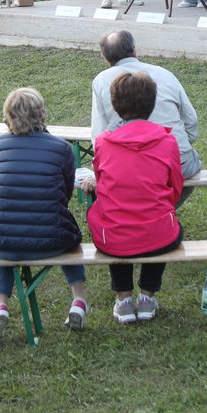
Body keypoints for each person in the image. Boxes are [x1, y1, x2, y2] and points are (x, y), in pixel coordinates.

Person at [0, 88, 87, 340]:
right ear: (42, 113)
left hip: (3, 243)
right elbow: (65, 192)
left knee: (4, 229)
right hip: (52, 242)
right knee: (71, 234)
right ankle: (78, 299)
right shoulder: (61, 148)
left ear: (8, 116)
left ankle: (0, 305)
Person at [82, 72, 183, 324]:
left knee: (114, 218)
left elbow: (104, 179)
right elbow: (176, 187)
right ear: (151, 103)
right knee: (157, 222)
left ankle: (124, 298)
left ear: (115, 105)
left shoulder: (104, 143)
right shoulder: (167, 141)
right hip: (159, 234)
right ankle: (147, 296)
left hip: (114, 236)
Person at [90, 30, 202, 191]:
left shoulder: (101, 81)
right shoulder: (164, 74)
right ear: (134, 49)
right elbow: (190, 121)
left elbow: (98, 132)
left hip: (133, 166)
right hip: (174, 161)